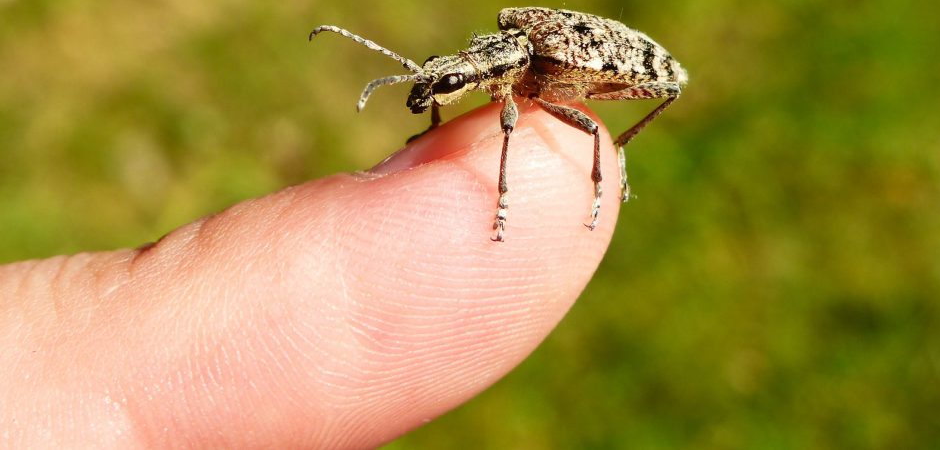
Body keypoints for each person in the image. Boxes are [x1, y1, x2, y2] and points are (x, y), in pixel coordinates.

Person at [0, 102, 619, 447]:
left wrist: (504, 197)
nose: (442, 87)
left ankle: (580, 178)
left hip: (606, 67)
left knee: (557, 138)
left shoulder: (528, 89)